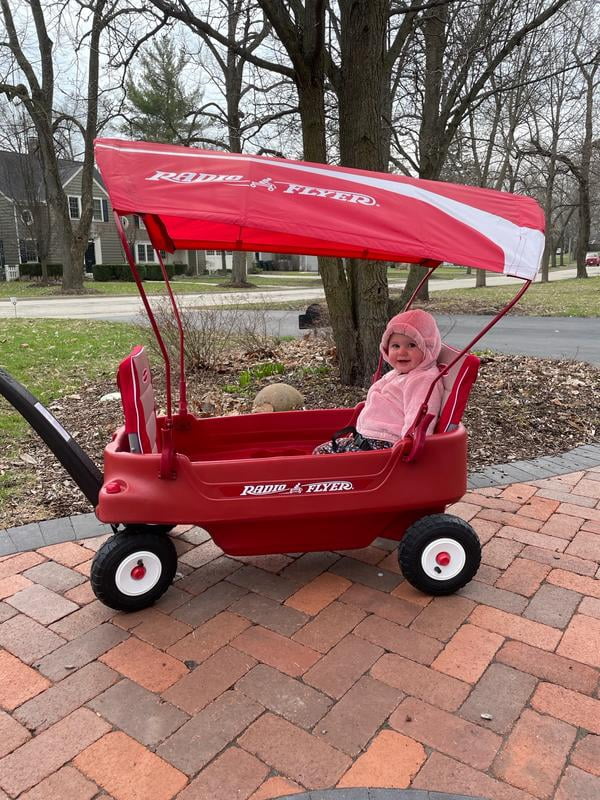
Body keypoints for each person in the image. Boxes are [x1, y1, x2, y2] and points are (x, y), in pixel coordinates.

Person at [314, 309, 444, 453]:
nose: (402, 352)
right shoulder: (399, 373)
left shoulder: (422, 380)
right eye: (395, 346)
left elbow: (418, 416)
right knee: (321, 452)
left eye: (411, 345)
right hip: (367, 438)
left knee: (322, 462)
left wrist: (409, 444)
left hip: (385, 446)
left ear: (428, 348)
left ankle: (341, 474)